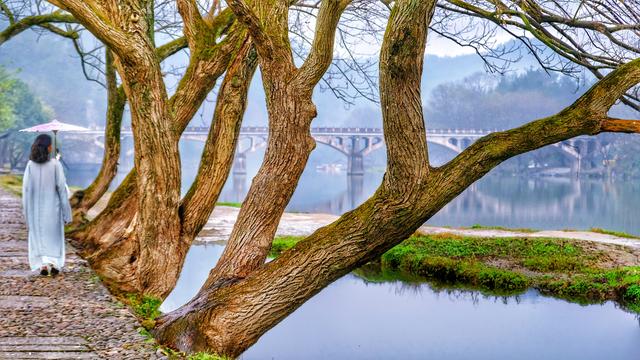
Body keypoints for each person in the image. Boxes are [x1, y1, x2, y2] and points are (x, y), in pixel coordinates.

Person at [21, 134, 72, 276]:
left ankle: (43, 265)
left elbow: (26, 190)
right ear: (48, 147)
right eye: (51, 144)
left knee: (38, 236)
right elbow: (62, 189)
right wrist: (67, 213)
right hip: (53, 209)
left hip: (35, 210)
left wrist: (26, 213)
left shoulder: (30, 165)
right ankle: (54, 263)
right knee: (54, 237)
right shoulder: (56, 164)